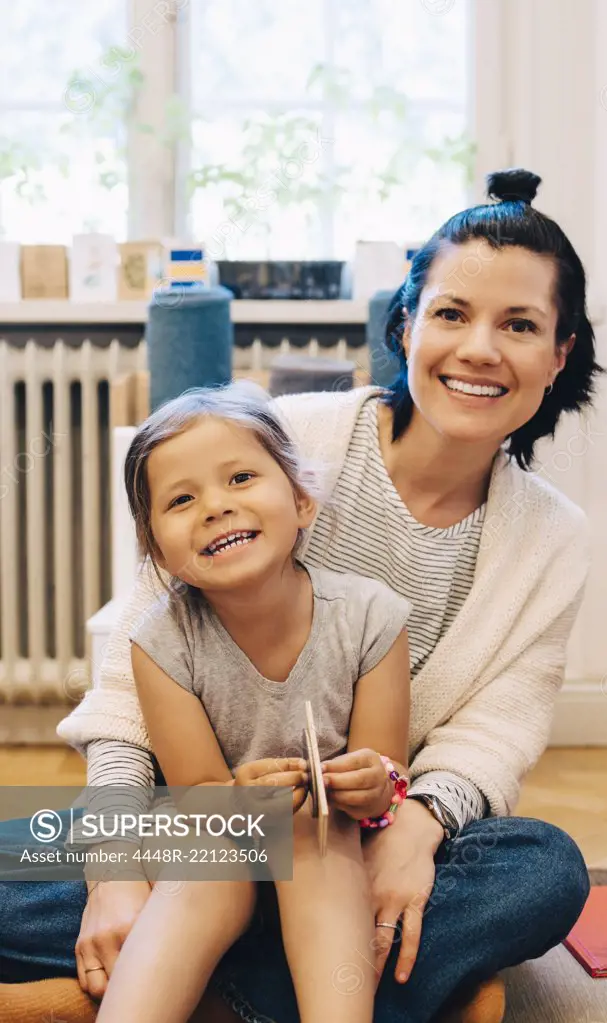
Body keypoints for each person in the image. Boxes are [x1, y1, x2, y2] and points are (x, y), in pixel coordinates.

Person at [0, 167, 601, 1023]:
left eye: (519, 324)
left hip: (361, 835)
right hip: (196, 827)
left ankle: (171, 982)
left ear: (559, 352)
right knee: (33, 863)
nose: (479, 349)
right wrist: (113, 871)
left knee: (542, 868)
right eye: (452, 314)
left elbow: (494, 731)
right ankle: (315, 978)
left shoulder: (553, 536)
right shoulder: (283, 441)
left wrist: (414, 831)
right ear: (406, 322)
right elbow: (130, 683)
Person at [93, 382, 412, 1023]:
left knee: (311, 832)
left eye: (240, 478)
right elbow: (199, 797)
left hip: (331, 858)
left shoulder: (373, 617)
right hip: (214, 852)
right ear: (157, 550)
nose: (215, 507)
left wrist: (370, 784)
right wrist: (238, 800)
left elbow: (388, 787)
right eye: (181, 499)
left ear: (301, 500)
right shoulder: (159, 640)